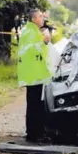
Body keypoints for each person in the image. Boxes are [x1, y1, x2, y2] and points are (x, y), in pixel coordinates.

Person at [17, 9, 52, 142]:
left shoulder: (33, 30)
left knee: (36, 103)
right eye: (40, 16)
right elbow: (30, 49)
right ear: (33, 19)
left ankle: (36, 132)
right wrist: (44, 41)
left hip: (36, 73)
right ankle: (34, 134)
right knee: (34, 104)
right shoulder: (29, 31)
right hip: (33, 74)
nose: (43, 19)